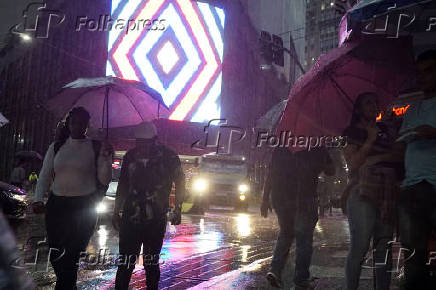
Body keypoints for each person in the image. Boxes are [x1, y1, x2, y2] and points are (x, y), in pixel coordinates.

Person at [32, 107, 113, 290]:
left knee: (72, 254)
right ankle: (68, 286)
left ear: (87, 125)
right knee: (55, 252)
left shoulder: (95, 147)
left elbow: (104, 179)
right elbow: (45, 174)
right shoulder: (56, 146)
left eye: (81, 123)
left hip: (83, 207)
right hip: (56, 206)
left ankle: (64, 287)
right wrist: (38, 198)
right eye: (73, 122)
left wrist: (106, 159)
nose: (77, 126)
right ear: (68, 124)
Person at [112, 121, 185, 290]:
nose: (142, 146)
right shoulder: (130, 156)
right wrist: (116, 211)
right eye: (139, 142)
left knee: (151, 263)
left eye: (146, 142)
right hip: (131, 218)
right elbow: (123, 185)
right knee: (125, 263)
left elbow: (180, 181)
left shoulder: (169, 157)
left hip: (155, 218)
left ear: (155, 140)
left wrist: (178, 208)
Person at [342, 92, 401, 290]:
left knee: (383, 247)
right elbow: (354, 163)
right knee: (360, 246)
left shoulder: (385, 129)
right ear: (358, 108)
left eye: (376, 102)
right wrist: (370, 140)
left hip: (387, 190)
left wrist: (374, 159)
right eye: (368, 103)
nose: (373, 106)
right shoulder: (351, 132)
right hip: (361, 192)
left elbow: (399, 155)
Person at [261, 146, 334, 289]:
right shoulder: (316, 145)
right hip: (304, 197)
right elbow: (331, 171)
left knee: (286, 233)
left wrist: (265, 199)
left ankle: (275, 270)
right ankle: (300, 279)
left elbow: (271, 173)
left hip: (280, 197)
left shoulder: (282, 146)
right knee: (304, 238)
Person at [396, 50, 436, 290]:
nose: (423, 77)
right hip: (412, 188)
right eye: (420, 72)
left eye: (429, 71)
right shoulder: (412, 110)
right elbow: (400, 145)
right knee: (412, 254)